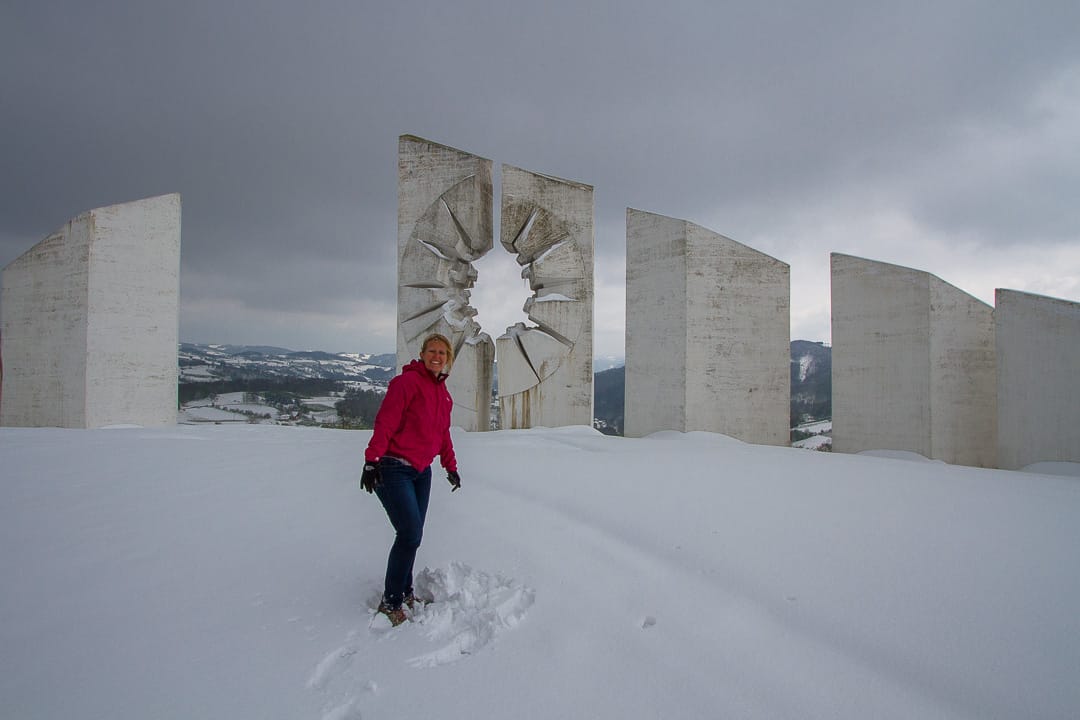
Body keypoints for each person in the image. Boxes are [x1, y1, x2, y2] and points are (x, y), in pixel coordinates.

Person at [361, 333, 462, 626]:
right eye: (432, 350)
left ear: (448, 359)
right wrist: (372, 461)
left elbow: (442, 434)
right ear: (423, 353)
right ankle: (390, 601)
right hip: (393, 468)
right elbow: (386, 421)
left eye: (443, 352)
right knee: (409, 534)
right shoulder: (406, 383)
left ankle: (405, 592)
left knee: (411, 535)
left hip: (422, 471)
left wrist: (450, 466)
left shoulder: (443, 395)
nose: (437, 356)